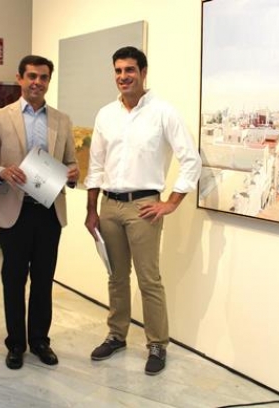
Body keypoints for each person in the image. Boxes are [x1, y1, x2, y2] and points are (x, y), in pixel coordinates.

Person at [84, 46, 202, 376]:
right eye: (118, 71)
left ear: (143, 72)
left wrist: (171, 202)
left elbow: (191, 159)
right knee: (116, 277)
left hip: (144, 207)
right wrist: (91, 209)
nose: (123, 76)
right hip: (109, 206)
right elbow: (95, 165)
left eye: (130, 70)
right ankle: (116, 335)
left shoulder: (164, 112)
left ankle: (157, 344)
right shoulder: (105, 114)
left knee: (149, 279)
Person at [0, 55, 79, 369]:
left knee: (44, 279)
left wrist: (72, 173)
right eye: (32, 76)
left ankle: (40, 341)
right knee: (14, 278)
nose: (37, 82)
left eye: (44, 77)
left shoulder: (62, 120)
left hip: (48, 211)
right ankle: (15, 343)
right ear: (20, 78)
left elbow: (72, 161)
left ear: (49, 81)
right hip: (13, 210)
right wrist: (3, 172)